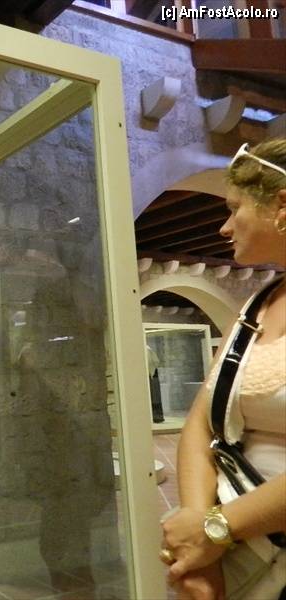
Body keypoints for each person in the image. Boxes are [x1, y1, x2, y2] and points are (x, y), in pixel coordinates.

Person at [161, 138, 286, 600]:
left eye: (234, 209)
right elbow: (201, 421)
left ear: (282, 205)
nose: (224, 227)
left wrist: (216, 529)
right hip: (238, 546)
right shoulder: (257, 304)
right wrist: (201, 532)